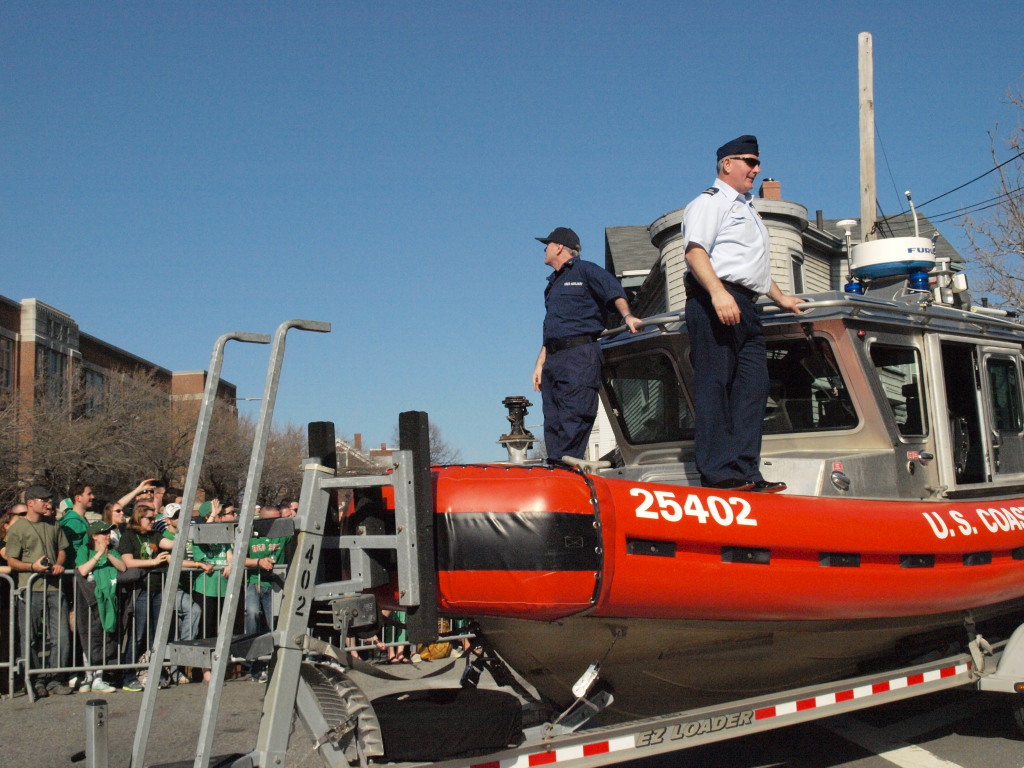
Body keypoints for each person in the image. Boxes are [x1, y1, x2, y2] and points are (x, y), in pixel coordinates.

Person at [682, 135, 804, 492]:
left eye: (757, 162)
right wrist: (718, 292)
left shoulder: (749, 208)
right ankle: (719, 475)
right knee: (716, 386)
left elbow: (753, 269)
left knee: (752, 389)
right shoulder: (710, 203)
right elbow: (695, 252)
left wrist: (782, 298)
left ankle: (746, 471)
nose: (757, 169)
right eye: (750, 162)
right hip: (716, 299)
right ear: (727, 164)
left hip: (747, 304)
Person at [532, 227, 642, 461]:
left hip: (579, 354)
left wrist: (627, 316)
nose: (545, 249)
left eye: (548, 244)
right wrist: (540, 363)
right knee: (553, 420)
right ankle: (556, 469)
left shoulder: (586, 270)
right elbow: (552, 327)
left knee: (574, 416)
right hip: (554, 358)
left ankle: (566, 470)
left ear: (560, 246)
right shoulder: (552, 284)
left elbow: (615, 292)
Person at [4, 486, 74, 697]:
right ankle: (35, 679)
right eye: (43, 500)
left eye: (49, 500)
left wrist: (59, 564)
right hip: (29, 588)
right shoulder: (18, 528)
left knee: (61, 636)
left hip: (54, 588)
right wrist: (33, 567)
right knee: (30, 637)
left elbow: (62, 550)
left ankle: (55, 678)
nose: (48, 504)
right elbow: (11, 560)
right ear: (30, 503)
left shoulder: (54, 524)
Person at [117, 505, 171, 691]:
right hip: (140, 591)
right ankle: (128, 675)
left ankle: (152, 671)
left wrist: (180, 526)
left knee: (156, 633)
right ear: (139, 518)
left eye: (154, 518)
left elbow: (171, 544)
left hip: (158, 589)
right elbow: (128, 562)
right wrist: (153, 562)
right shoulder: (129, 536)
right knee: (137, 633)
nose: (153, 521)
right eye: (149, 518)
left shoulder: (154, 535)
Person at [75, 520, 126, 693]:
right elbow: (82, 570)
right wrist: (98, 555)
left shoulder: (112, 551)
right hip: (89, 600)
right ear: (94, 536)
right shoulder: (85, 550)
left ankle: (99, 677)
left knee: (105, 638)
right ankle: (88, 677)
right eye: (104, 533)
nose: (107, 536)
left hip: (107, 600)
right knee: (90, 638)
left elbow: (122, 567)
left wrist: (108, 554)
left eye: (109, 533)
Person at [242, 504, 290, 682]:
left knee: (273, 625)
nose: (278, 522)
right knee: (253, 616)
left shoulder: (283, 534)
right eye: (273, 520)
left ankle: (273, 665)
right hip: (255, 583)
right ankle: (252, 663)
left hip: (276, 585)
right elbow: (239, 557)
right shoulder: (251, 535)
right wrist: (258, 561)